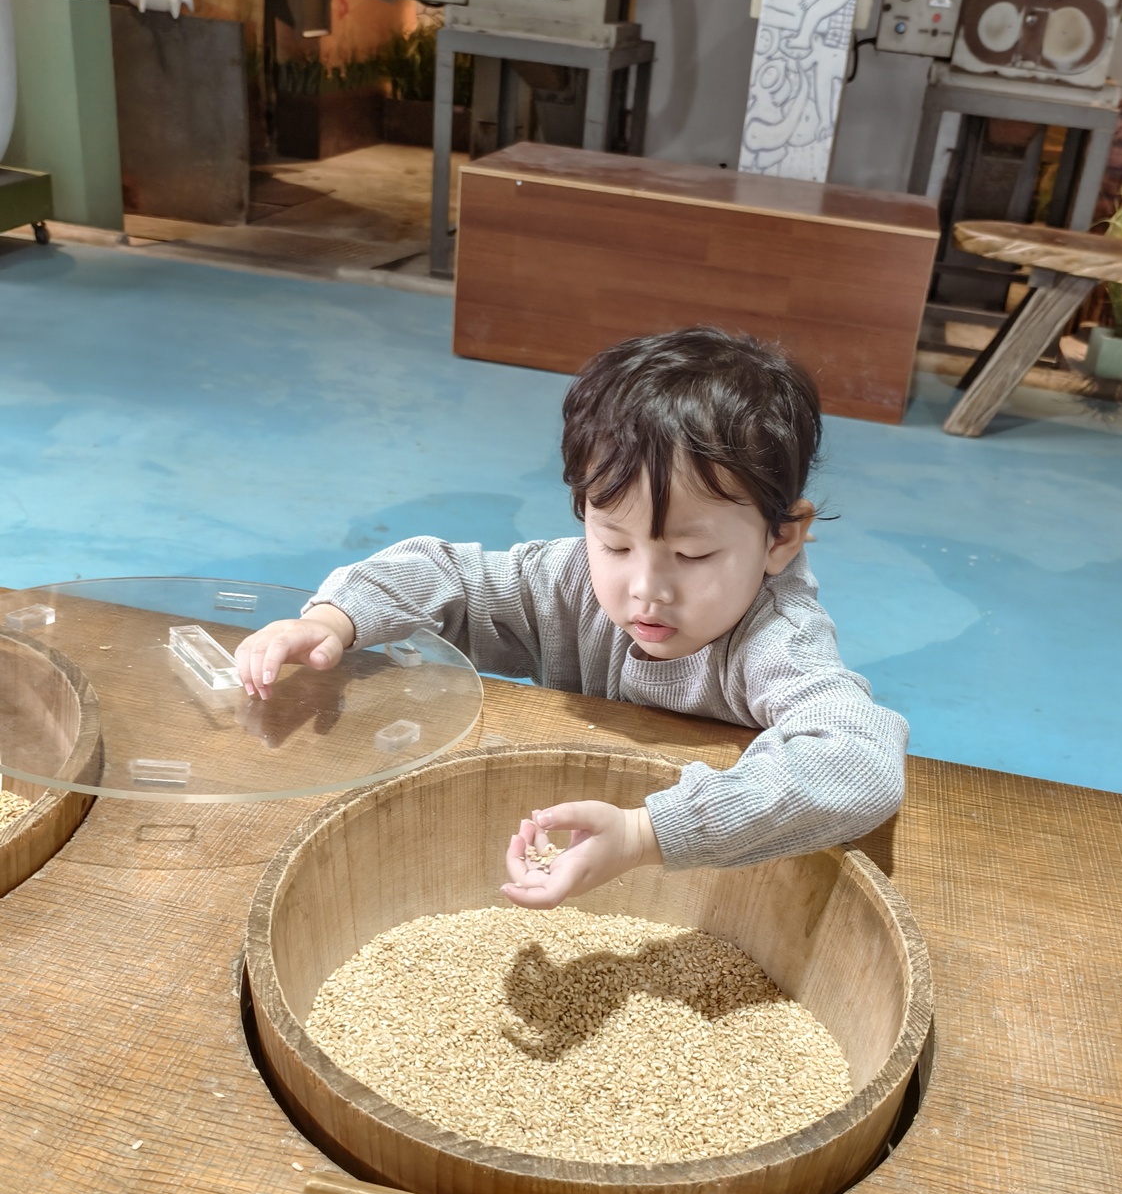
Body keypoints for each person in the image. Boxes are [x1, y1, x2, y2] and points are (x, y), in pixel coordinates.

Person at [234, 326, 907, 910]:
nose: (646, 589)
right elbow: (446, 575)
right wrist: (332, 620)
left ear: (781, 539)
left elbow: (857, 764)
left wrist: (649, 833)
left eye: (692, 553)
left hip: (717, 876)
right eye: (615, 542)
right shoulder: (571, 581)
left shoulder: (774, 640)